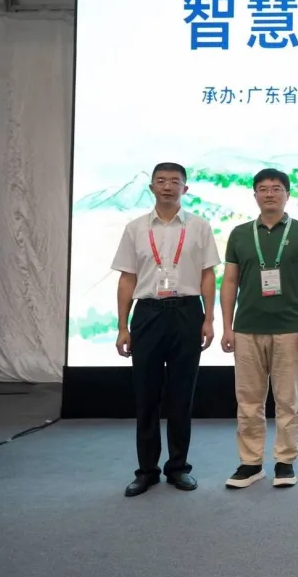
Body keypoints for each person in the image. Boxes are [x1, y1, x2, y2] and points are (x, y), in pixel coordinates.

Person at [112, 162, 220, 497]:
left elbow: (207, 275)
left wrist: (208, 318)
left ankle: (178, 468)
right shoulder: (135, 228)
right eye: (161, 181)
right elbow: (127, 278)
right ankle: (146, 471)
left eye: (175, 181)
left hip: (187, 312)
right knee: (146, 396)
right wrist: (122, 326)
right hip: (148, 314)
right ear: (152, 188)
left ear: (185, 189)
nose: (168, 187)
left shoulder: (200, 227)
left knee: (181, 396)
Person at [220, 168, 298, 490]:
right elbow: (230, 281)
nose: (269, 194)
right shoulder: (239, 234)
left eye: (276, 188)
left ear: (287, 194)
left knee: (288, 400)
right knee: (248, 400)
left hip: (289, 328)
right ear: (255, 196)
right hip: (246, 328)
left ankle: (284, 462)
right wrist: (227, 327)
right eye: (263, 189)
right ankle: (250, 463)